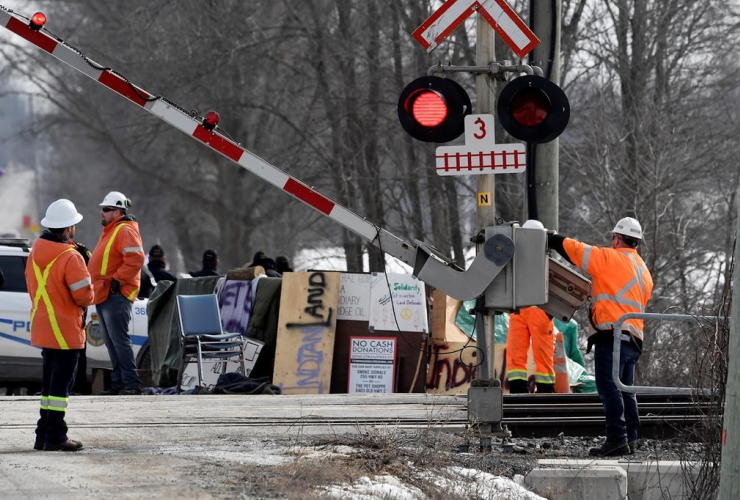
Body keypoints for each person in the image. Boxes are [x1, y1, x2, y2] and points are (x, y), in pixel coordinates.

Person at [548, 216, 653, 457]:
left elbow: (577, 251)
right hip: (634, 338)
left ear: (616, 238)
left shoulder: (609, 258)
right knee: (626, 389)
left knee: (608, 388)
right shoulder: (643, 270)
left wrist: (552, 239)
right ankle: (632, 438)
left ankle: (617, 439)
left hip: (613, 335)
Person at [26, 199, 93, 451]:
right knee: (59, 390)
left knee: (48, 386)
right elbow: (85, 296)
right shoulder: (71, 257)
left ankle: (42, 435)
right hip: (65, 329)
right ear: (68, 228)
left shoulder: (35, 252)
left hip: (43, 326)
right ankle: (56, 436)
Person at [88, 191, 146, 396]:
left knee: (119, 340)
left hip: (116, 294)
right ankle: (119, 384)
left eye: (106, 209)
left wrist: (116, 281)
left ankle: (131, 384)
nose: (102, 213)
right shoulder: (113, 230)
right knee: (112, 341)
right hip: (105, 292)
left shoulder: (124, 230)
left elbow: (136, 259)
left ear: (118, 211)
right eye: (102, 209)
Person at [506, 306, 555, 394]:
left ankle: (545, 391)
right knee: (515, 355)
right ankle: (517, 390)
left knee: (542, 356)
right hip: (518, 308)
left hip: (538, 307)